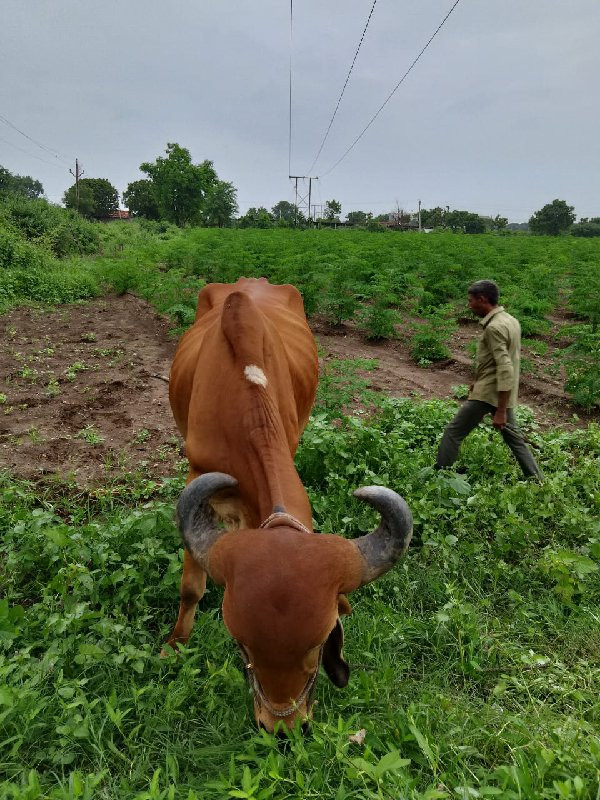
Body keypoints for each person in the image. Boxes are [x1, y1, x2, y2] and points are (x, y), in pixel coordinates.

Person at [435, 279, 543, 480]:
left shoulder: (494, 328)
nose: (469, 305)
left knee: (453, 432)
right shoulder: (510, 320)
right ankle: (537, 479)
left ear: (482, 299)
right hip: (502, 392)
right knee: (515, 439)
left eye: (471, 300)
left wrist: (500, 410)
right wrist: (478, 381)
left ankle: (440, 476)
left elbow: (505, 368)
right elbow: (498, 362)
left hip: (490, 393)